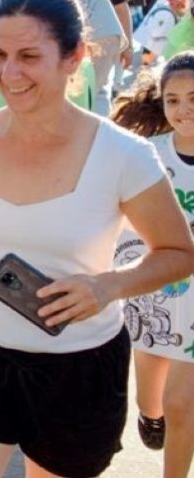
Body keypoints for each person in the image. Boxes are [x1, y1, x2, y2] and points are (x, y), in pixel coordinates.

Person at [0, 0, 194, 478]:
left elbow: (178, 252)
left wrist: (108, 286)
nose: (9, 73)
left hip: (77, 369)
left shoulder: (124, 155)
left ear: (74, 57)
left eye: (28, 56)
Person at [110, 52, 194, 478]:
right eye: (173, 100)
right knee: (154, 398)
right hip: (153, 291)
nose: (184, 110)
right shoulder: (147, 155)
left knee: (183, 405)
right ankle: (149, 413)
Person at [25, 0, 126, 115]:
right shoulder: (14, 3)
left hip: (85, 110)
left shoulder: (96, 4)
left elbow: (97, 71)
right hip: (26, 111)